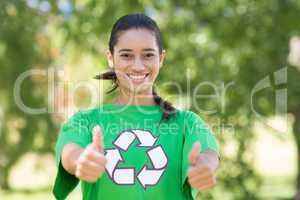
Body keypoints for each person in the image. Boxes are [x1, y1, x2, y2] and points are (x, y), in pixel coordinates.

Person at [52, 13, 220, 200]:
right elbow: (69, 152)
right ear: (110, 57)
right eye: (126, 55)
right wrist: (81, 160)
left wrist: (204, 166)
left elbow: (208, 153)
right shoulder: (86, 121)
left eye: (148, 55)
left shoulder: (185, 122)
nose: (138, 66)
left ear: (161, 58)